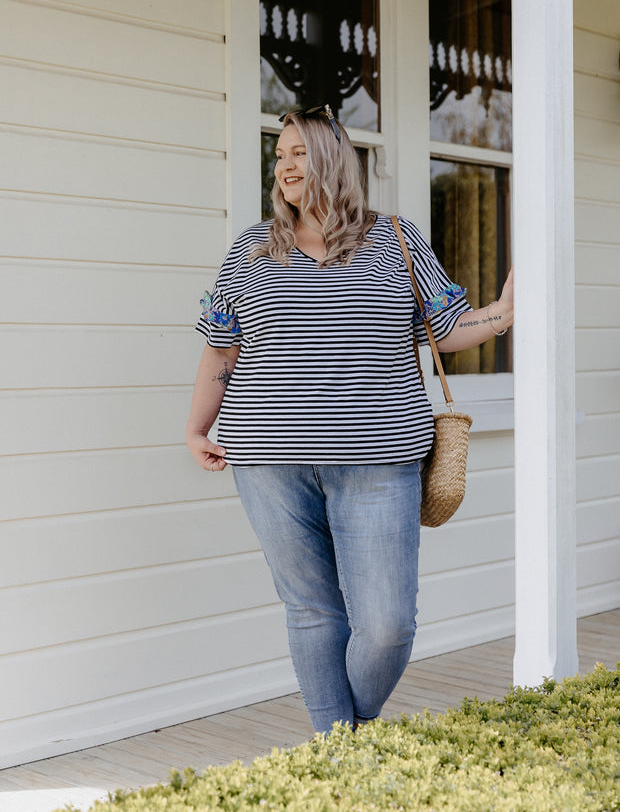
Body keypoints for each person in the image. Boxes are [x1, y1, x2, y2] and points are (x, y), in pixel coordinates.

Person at [186, 104, 514, 734]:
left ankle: (345, 737)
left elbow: (444, 330)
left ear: (333, 158)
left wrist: (501, 314)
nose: (284, 168)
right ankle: (340, 754)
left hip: (381, 460)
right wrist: (199, 427)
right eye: (279, 156)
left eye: (298, 153)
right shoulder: (250, 248)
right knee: (311, 609)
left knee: (388, 624)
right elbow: (220, 347)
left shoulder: (395, 239)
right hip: (268, 463)